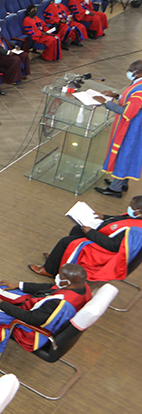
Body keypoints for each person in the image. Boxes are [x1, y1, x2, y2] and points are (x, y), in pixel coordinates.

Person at [0, 264, 90, 354]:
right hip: (42, 312)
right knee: (3, 289)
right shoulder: (82, 287)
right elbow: (50, 288)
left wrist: (1, 305)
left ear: (67, 282)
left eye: (61, 276)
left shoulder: (60, 303)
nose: (57, 278)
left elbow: (31, 318)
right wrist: (20, 285)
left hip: (31, 329)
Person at [28, 196, 142, 281]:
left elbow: (113, 246)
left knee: (65, 241)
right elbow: (120, 220)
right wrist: (104, 217)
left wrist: (91, 233)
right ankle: (59, 257)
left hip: (106, 252)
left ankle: (49, 270)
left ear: (139, 212)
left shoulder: (136, 231)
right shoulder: (137, 217)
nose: (129, 208)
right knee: (77, 229)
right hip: (105, 237)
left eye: (132, 207)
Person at [94, 60, 142, 197]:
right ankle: (122, 182)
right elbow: (130, 100)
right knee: (128, 154)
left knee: (124, 153)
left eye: (131, 70)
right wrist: (116, 96)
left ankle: (115, 189)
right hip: (132, 125)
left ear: (138, 72)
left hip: (133, 128)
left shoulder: (140, 90)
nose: (128, 71)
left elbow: (126, 111)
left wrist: (105, 103)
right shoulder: (138, 83)